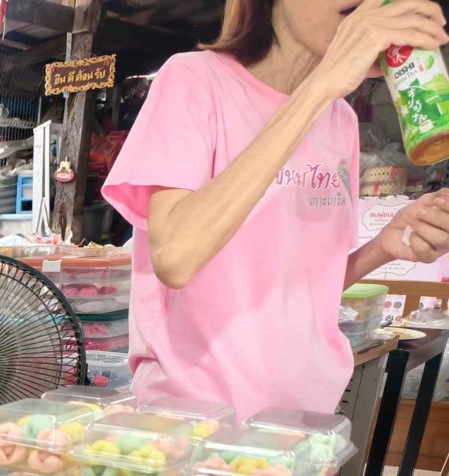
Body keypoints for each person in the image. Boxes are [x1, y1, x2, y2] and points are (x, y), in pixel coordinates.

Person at [103, 0, 449, 417]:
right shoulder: (195, 79)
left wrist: (383, 247)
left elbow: (303, 288)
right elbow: (175, 257)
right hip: (194, 419)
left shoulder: (339, 119)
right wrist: (318, 87)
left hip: (303, 416)